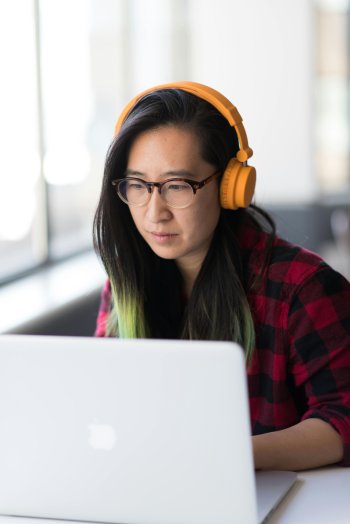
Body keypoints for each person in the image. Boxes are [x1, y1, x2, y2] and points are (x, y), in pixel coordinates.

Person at [93, 82, 350, 471]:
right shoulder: (125, 285)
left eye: (178, 186)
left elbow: (343, 416)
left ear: (232, 187)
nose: (154, 212)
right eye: (138, 186)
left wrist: (222, 457)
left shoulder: (304, 287)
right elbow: (103, 402)